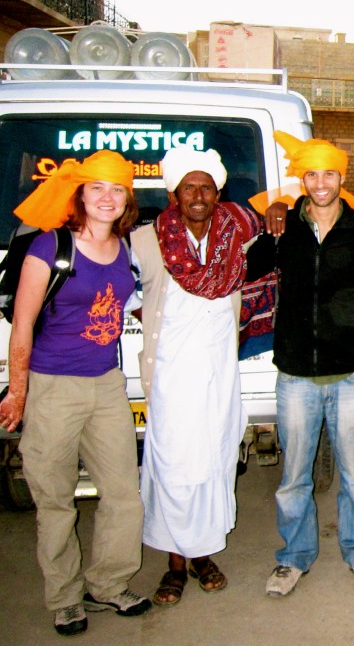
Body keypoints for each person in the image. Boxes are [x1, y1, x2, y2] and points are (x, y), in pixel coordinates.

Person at [246, 132, 354, 596]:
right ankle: (293, 558)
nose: (320, 183)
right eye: (311, 174)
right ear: (302, 178)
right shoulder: (282, 231)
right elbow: (243, 269)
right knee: (294, 477)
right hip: (296, 374)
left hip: (352, 374)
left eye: (329, 174)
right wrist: (267, 218)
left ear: (342, 178)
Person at [2, 150, 151, 636]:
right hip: (53, 387)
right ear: (80, 194)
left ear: (127, 197)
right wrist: (18, 393)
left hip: (107, 384)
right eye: (97, 188)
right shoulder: (51, 247)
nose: (107, 198)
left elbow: (127, 306)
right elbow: (22, 325)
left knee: (124, 494)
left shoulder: (126, 248)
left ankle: (108, 583)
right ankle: (65, 598)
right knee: (55, 499)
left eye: (117, 189)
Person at [132, 147, 261, 606]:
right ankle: (174, 563)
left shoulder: (238, 234)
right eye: (189, 187)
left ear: (219, 191)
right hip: (171, 375)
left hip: (219, 371)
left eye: (206, 187)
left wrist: (283, 207)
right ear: (174, 194)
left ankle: (204, 554)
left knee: (215, 458)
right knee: (173, 464)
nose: (199, 195)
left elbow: (276, 213)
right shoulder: (147, 240)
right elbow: (119, 284)